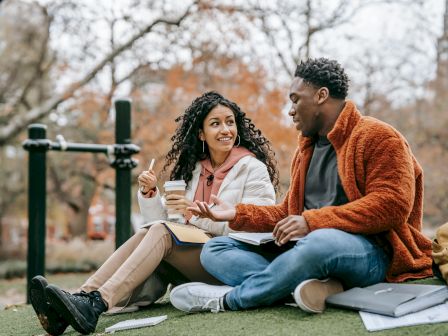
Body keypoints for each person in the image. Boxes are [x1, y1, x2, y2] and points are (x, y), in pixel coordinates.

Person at [169, 58, 433, 314]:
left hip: (372, 253)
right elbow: (287, 213)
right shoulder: (305, 149)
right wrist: (236, 214)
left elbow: (391, 205)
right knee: (215, 250)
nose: (291, 110)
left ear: (320, 96)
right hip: (305, 249)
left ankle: (230, 300)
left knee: (320, 242)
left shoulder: (378, 136)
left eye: (296, 99)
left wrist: (311, 222)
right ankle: (309, 288)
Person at [29, 91, 278, 335]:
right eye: (215, 124)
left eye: (229, 122)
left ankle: (96, 303)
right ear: (201, 133)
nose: (225, 130)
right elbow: (167, 225)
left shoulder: (252, 168)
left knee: (161, 231)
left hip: (226, 259)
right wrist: (150, 195)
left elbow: (258, 223)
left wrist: (197, 215)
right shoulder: (193, 171)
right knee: (152, 230)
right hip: (194, 255)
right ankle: (78, 300)